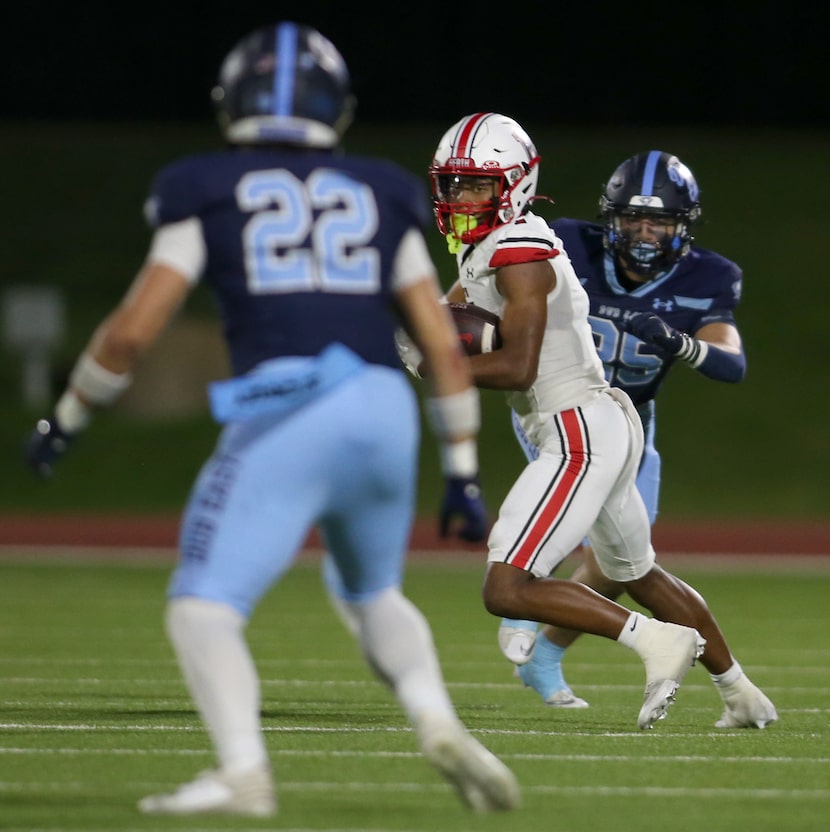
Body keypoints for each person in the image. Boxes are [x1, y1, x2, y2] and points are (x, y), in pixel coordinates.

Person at [24, 24, 521, 817]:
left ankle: (244, 774)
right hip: (382, 403)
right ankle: (436, 718)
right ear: (337, 108)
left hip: (292, 402)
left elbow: (130, 333)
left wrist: (67, 418)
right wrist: (461, 470)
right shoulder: (382, 189)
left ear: (233, 101)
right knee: (371, 594)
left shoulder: (203, 184)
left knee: (202, 606)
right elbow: (439, 343)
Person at [421, 112, 776, 731]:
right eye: (452, 184)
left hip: (577, 432)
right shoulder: (505, 240)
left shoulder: (519, 250)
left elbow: (518, 367)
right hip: (602, 421)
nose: (461, 198)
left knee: (506, 589)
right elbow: (443, 315)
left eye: (477, 185)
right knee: (635, 572)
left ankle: (656, 642)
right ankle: (740, 692)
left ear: (515, 184)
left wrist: (435, 365)